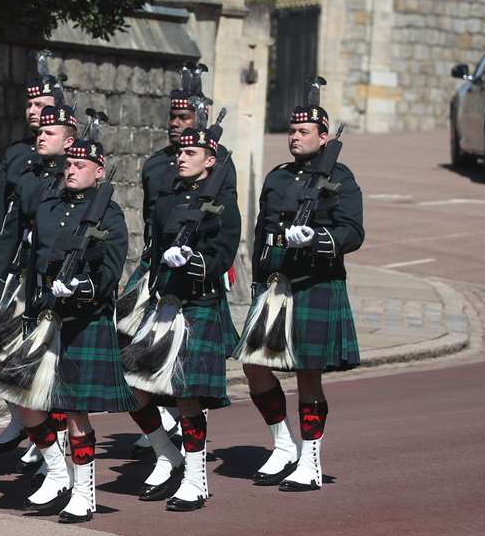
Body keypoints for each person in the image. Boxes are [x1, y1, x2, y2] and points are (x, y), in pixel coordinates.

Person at [6, 135, 134, 523]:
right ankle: (58, 473)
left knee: (76, 414)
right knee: (24, 399)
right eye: (69, 164)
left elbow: (110, 273)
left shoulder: (110, 216)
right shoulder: (49, 206)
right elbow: (35, 260)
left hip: (84, 318)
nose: (71, 170)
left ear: (99, 171)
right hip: (47, 314)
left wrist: (81, 287)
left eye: (80, 166)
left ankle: (84, 491)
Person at [240, 90, 364, 492]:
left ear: (324, 136)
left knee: (308, 376)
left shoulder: (340, 178)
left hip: (316, 282)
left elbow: (353, 232)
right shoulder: (277, 176)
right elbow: (261, 232)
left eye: (304, 131)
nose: (294, 137)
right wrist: (259, 278)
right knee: (253, 365)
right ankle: (283, 444)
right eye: (291, 130)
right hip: (278, 284)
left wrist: (317, 237)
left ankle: (310, 460)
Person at [121, 124, 241, 512]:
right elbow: (154, 249)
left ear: (210, 161)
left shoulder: (223, 205)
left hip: (199, 304)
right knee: (128, 384)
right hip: (164, 303)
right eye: (181, 153)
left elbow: (223, 256)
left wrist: (194, 262)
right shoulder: (166, 199)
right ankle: (165, 451)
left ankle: (194, 477)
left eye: (191, 154)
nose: (181, 158)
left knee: (188, 397)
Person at [0, 105, 78, 505]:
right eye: (41, 131)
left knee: (52, 379)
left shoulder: (75, 178)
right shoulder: (27, 178)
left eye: (51, 132)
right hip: (26, 281)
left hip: (62, 287)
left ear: (69, 141)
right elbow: (9, 230)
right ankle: (51, 457)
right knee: (9, 365)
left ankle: (60, 466)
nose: (41, 135)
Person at [0, 52, 59, 452]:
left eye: (41, 105)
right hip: (18, 266)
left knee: (40, 356)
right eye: (29, 104)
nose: (32, 112)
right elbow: (0, 211)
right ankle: (17, 417)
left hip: (49, 272)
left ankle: (43, 435)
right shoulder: (17, 154)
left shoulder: (70, 159)